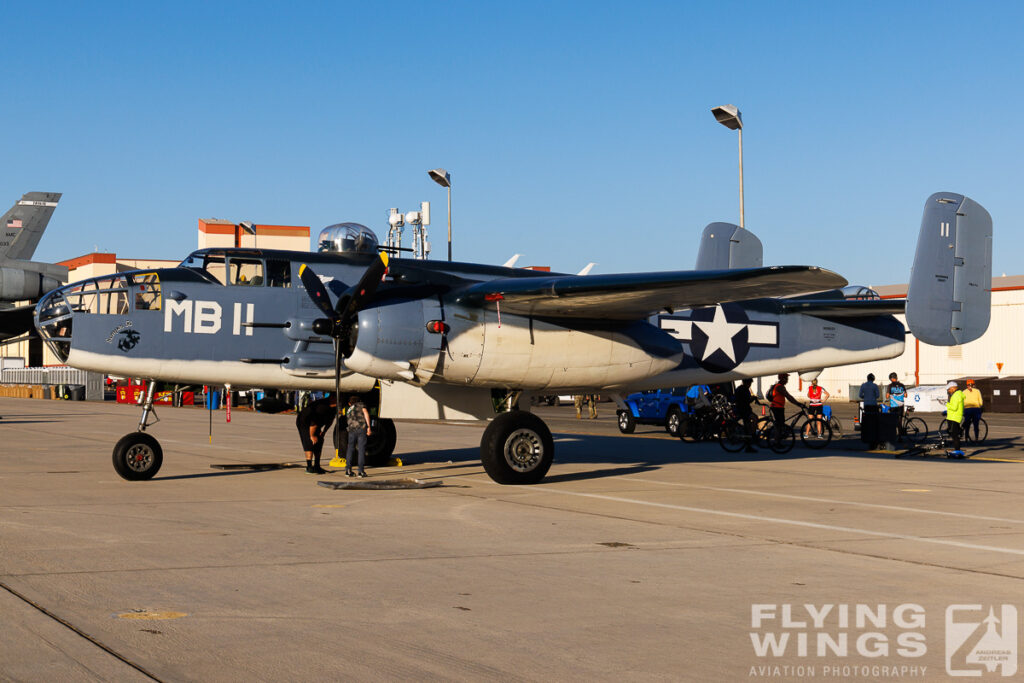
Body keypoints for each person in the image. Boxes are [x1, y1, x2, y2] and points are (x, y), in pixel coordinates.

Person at [295, 393, 338, 474]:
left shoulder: (334, 407)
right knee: (310, 442)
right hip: (304, 421)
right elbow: (313, 423)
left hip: (316, 423)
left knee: (320, 441)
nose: (340, 401)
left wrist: (324, 432)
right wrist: (312, 435)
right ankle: (309, 467)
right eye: (338, 398)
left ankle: (317, 466)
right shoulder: (322, 407)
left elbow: (330, 421)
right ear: (332, 398)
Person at [767, 373, 804, 445]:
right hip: (776, 407)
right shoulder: (780, 387)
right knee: (779, 425)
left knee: (780, 424)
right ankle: (776, 443)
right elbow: (789, 397)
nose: (787, 380)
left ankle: (778, 441)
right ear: (782, 379)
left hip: (779, 407)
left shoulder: (780, 386)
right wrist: (798, 404)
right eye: (786, 379)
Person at [344, 394, 373, 477]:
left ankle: (348, 470)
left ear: (350, 403)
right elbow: (366, 413)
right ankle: (360, 471)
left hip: (351, 430)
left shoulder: (349, 409)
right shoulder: (361, 405)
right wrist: (369, 427)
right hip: (361, 428)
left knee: (350, 449)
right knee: (361, 450)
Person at [733, 378, 761, 453]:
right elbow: (746, 400)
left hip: (744, 409)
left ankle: (750, 435)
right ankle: (752, 436)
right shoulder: (743, 389)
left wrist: (752, 398)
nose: (750, 385)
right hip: (743, 410)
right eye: (750, 383)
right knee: (754, 419)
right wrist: (753, 398)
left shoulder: (741, 388)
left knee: (751, 421)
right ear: (747, 383)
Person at [944, 381, 965, 456]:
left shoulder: (956, 395)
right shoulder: (957, 394)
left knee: (954, 435)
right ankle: (957, 449)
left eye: (949, 389)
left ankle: (957, 451)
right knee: (952, 433)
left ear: (953, 388)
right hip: (953, 417)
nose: (948, 391)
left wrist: (946, 404)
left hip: (954, 418)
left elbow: (954, 407)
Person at [887, 372, 907, 440]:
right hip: (901, 405)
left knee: (892, 420)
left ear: (891, 379)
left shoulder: (890, 386)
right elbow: (906, 395)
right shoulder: (902, 385)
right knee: (900, 421)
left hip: (893, 406)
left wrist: (891, 395)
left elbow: (887, 396)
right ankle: (900, 437)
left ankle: (893, 435)